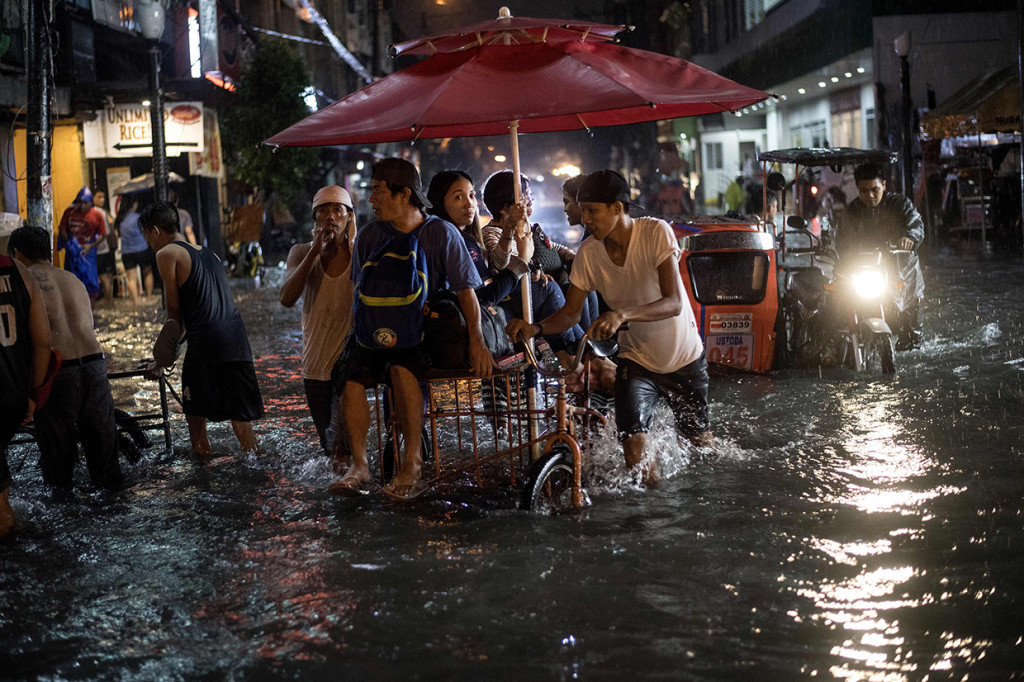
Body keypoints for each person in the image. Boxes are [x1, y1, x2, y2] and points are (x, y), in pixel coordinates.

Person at [506, 170, 713, 484]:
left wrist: (621, 315)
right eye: (583, 209)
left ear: (618, 208)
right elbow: (570, 315)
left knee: (699, 446)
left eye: (593, 211)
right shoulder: (588, 254)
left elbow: (673, 302)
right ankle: (656, 512)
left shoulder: (656, 232)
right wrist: (534, 329)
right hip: (636, 362)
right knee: (633, 450)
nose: (585, 218)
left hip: (683, 358)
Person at [330, 158, 491, 500]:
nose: (371, 198)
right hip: (374, 328)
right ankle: (359, 465)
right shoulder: (369, 237)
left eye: (377, 190)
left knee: (403, 369)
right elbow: (356, 291)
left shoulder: (441, 233)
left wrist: (476, 341)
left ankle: (412, 464)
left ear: (404, 195)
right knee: (351, 375)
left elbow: (467, 292)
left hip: (422, 332)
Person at [139, 201, 263, 455]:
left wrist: (161, 361)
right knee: (241, 421)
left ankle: (204, 471)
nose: (148, 243)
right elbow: (204, 308)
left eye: (146, 236)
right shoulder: (210, 253)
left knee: (195, 416)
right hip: (237, 341)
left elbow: (175, 316)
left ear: (156, 230)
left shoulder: (166, 255)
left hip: (206, 344)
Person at [9, 226, 124, 492]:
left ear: (16, 253)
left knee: (59, 471)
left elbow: (28, 340)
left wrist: (32, 391)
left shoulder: (23, 280)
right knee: (106, 467)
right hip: (95, 365)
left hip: (58, 371)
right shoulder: (73, 279)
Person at [280, 186, 357, 466]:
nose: (330, 217)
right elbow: (287, 298)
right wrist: (314, 251)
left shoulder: (360, 252)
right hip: (315, 364)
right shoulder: (300, 252)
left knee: (345, 442)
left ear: (349, 217)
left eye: (338, 210)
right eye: (323, 211)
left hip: (350, 361)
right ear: (314, 219)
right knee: (330, 448)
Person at [481, 171, 586, 362]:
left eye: (530, 196)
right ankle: (573, 356)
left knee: (582, 288)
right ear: (505, 208)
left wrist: (573, 258)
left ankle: (588, 347)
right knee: (550, 289)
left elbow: (552, 246)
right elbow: (501, 265)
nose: (529, 201)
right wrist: (510, 234)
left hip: (533, 288)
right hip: (512, 298)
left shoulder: (527, 227)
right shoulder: (491, 233)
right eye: (524, 197)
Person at [841, 163, 925, 349]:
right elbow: (842, 243)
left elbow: (916, 224)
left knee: (911, 334)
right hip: (868, 270)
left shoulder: (901, 204)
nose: (869, 196)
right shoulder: (852, 211)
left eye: (874, 190)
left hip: (902, 270)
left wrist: (909, 237)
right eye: (864, 191)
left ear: (884, 186)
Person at [0, 243, 51, 537]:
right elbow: (43, 343)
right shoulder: (20, 272)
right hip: (15, 398)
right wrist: (32, 394)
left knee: (2, 510)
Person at [57, 187, 107, 299]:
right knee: (72, 283)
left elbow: (102, 234)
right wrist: (71, 243)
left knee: (90, 285)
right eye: (80, 203)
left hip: (89, 254)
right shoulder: (69, 212)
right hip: (72, 253)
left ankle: (89, 312)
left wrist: (90, 246)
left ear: (90, 203)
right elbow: (63, 230)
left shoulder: (97, 215)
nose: (83, 206)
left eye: (86, 203)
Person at [115, 196, 154, 304]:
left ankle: (136, 302)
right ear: (134, 204)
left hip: (127, 252)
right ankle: (149, 297)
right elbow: (145, 232)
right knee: (147, 272)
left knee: (131, 278)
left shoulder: (120, 220)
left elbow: (119, 234)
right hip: (141, 249)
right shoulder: (138, 217)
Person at [92, 190, 118, 301]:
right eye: (99, 197)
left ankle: (109, 300)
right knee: (105, 276)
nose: (102, 199)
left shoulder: (103, 211)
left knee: (106, 275)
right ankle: (109, 300)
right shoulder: (97, 212)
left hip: (105, 247)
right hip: (101, 248)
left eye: (103, 197)